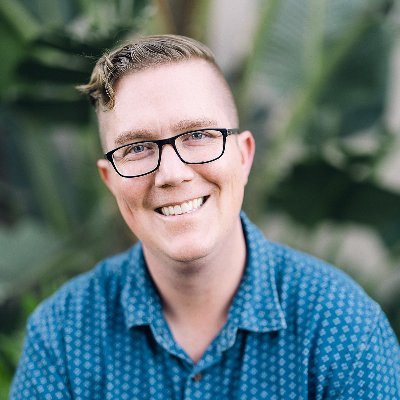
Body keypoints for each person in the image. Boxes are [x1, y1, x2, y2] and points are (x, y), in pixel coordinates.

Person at [10, 34, 400, 399]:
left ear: (244, 156)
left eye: (198, 135)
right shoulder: (63, 334)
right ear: (110, 180)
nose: (171, 173)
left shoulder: (342, 326)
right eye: (137, 148)